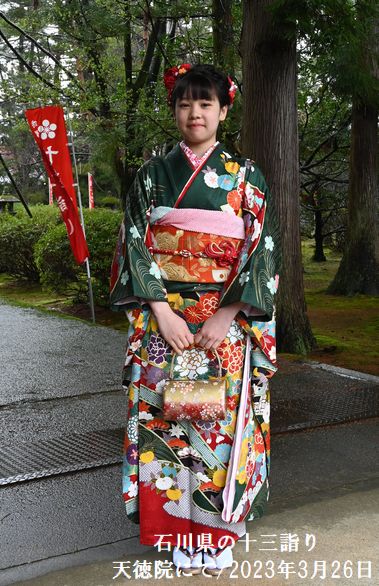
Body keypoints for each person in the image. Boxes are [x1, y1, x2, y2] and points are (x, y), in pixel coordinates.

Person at [110, 63, 281, 575]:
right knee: (168, 423)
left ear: (224, 111)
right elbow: (134, 248)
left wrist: (227, 314)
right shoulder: (151, 176)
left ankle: (217, 532)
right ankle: (175, 535)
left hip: (221, 328)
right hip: (166, 326)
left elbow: (261, 252)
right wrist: (161, 313)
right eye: (186, 103)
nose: (195, 113)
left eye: (206, 103)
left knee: (219, 427)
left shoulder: (246, 177)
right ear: (176, 110)